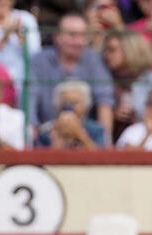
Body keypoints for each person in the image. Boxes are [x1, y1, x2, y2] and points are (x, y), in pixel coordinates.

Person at [27, 12, 114, 142]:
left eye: (83, 35)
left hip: (85, 132)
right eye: (72, 35)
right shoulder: (39, 61)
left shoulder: (93, 59)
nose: (78, 42)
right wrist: (31, 139)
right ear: (57, 37)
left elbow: (105, 100)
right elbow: (30, 99)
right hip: (47, 131)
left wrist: (106, 141)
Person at [103, 28, 152, 140]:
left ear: (130, 50)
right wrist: (112, 114)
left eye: (112, 50)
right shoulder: (105, 78)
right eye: (106, 50)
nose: (106, 55)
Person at [35, 79, 106, 148]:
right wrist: (57, 139)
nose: (69, 107)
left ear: (85, 105)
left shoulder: (96, 130)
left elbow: (100, 156)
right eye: (65, 103)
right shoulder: (46, 131)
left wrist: (80, 134)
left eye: (74, 103)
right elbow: (40, 157)